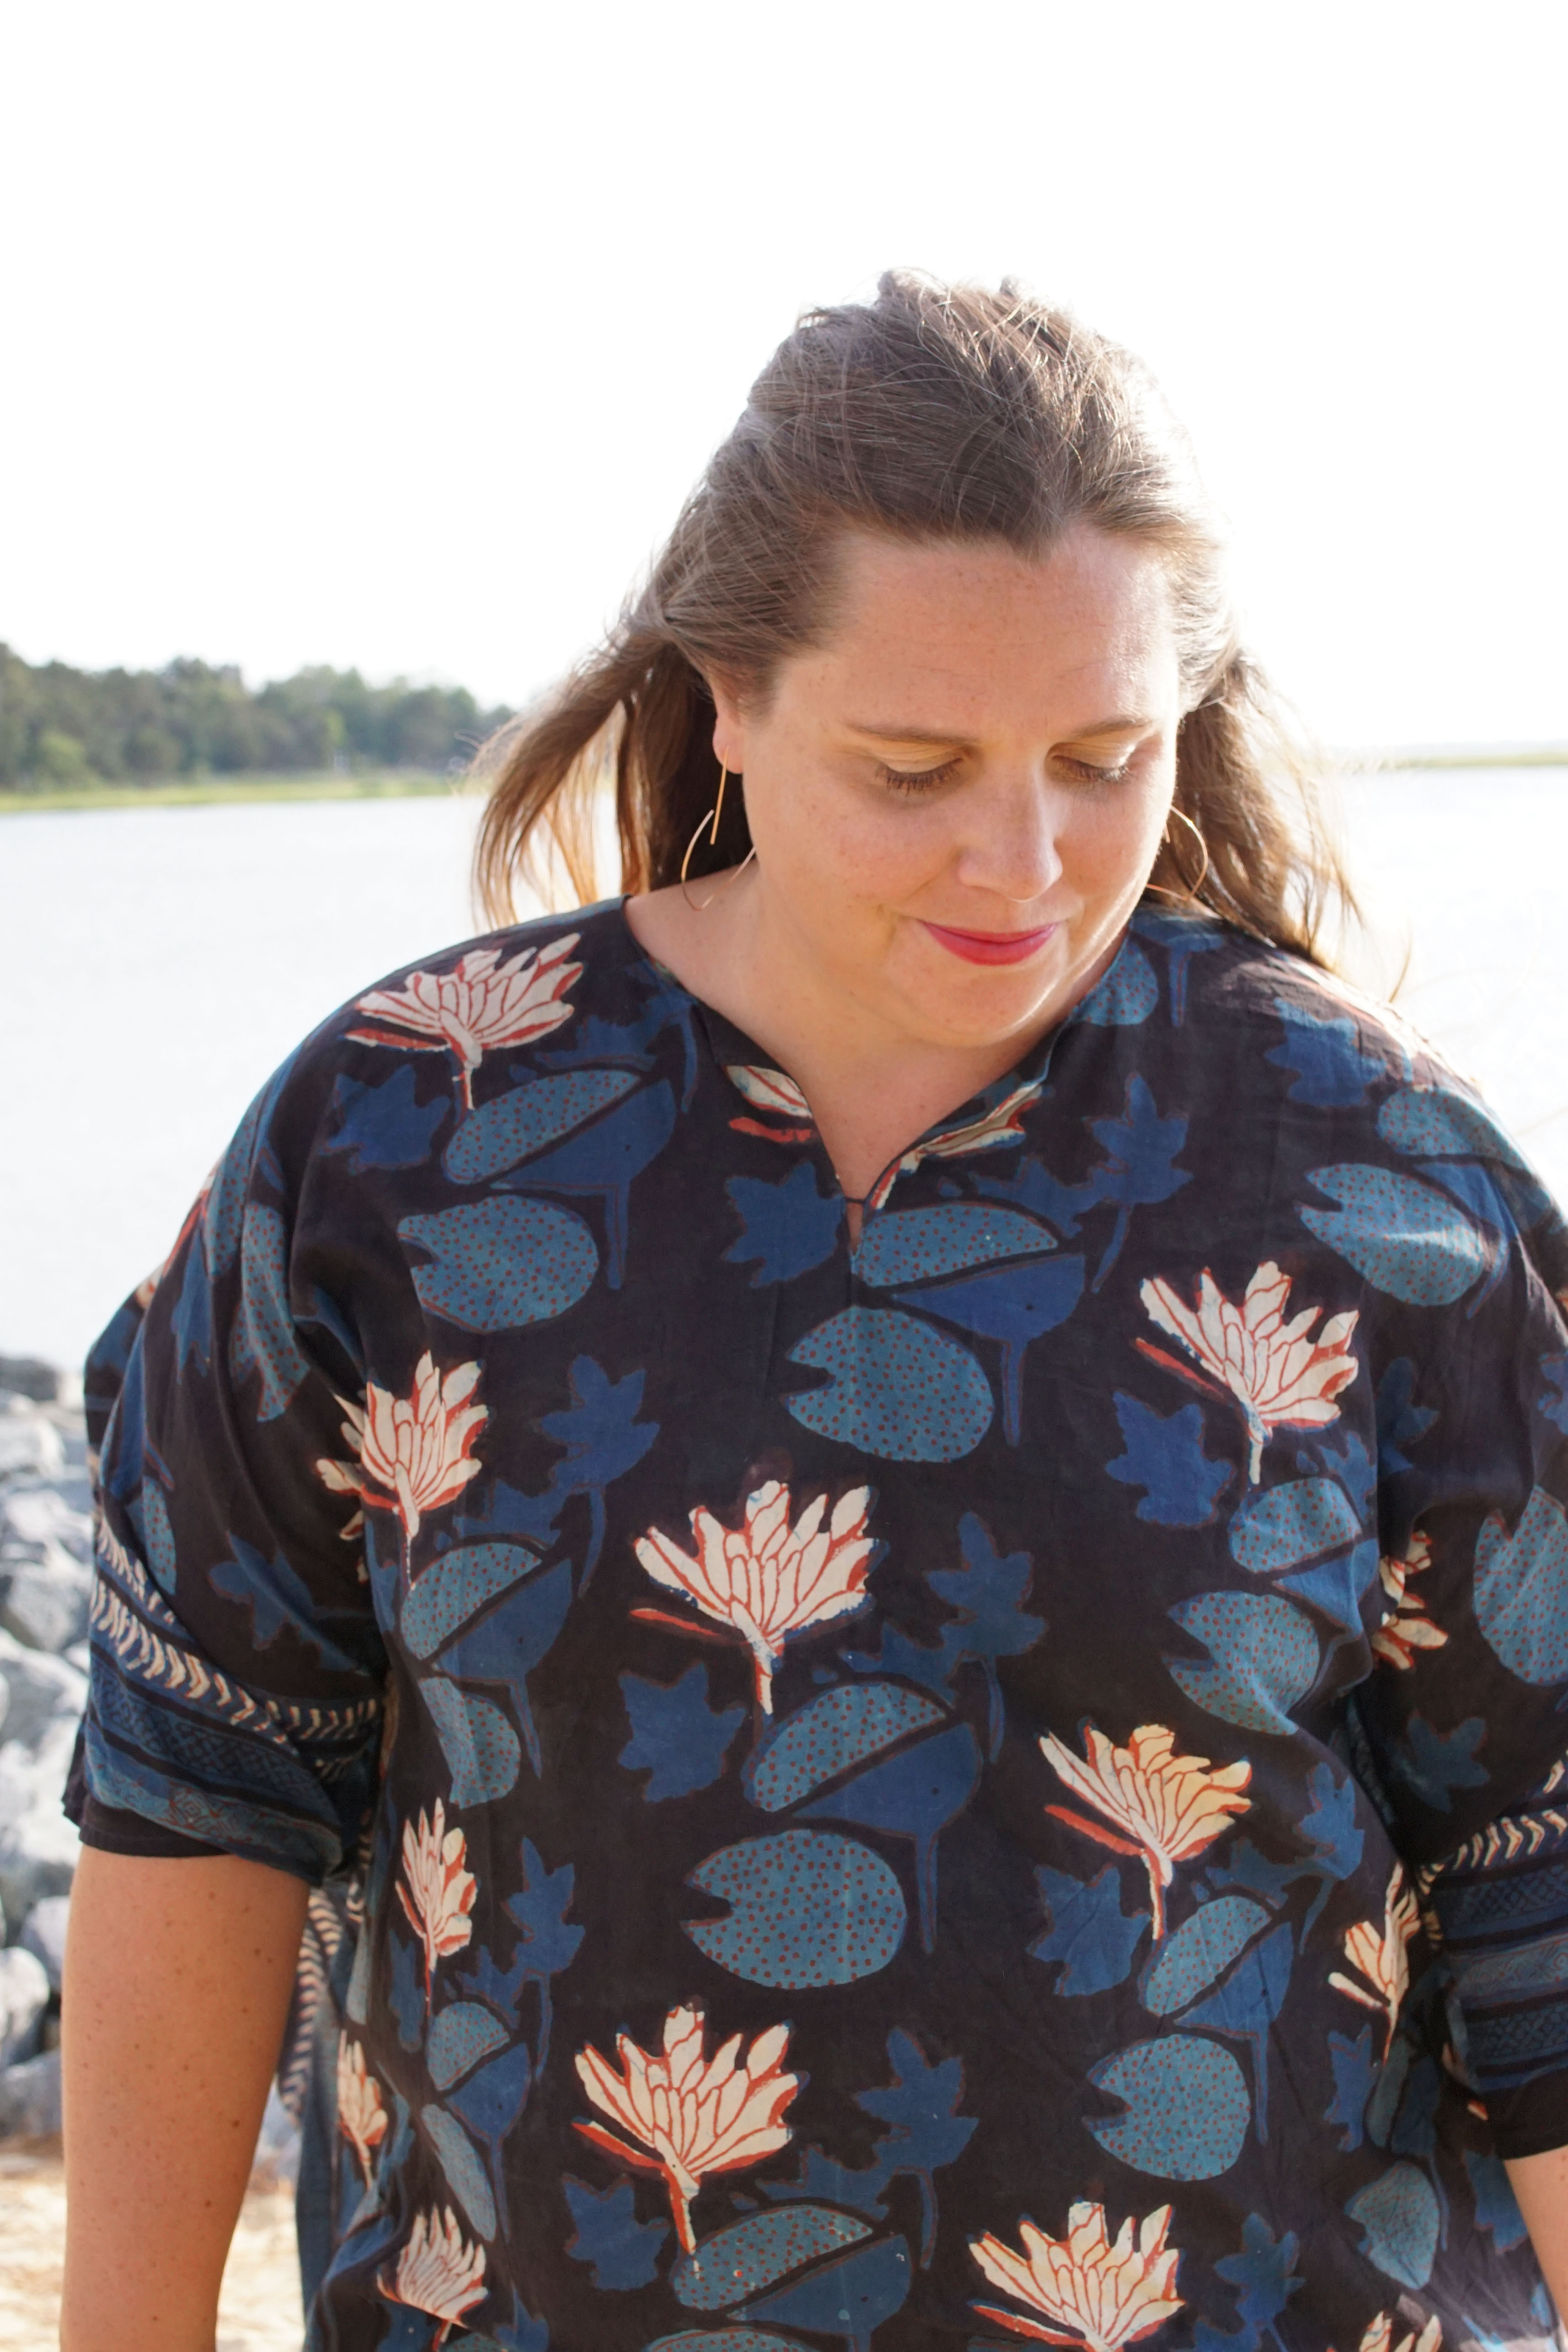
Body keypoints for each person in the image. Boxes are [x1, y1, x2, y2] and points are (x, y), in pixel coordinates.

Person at [60, 273, 1568, 2351]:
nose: (1024, 856)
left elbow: (1543, 1877)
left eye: (1106, 755)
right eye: (917, 761)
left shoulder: (1389, 1185)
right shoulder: (398, 1143)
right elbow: (194, 1795)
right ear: (730, 693)